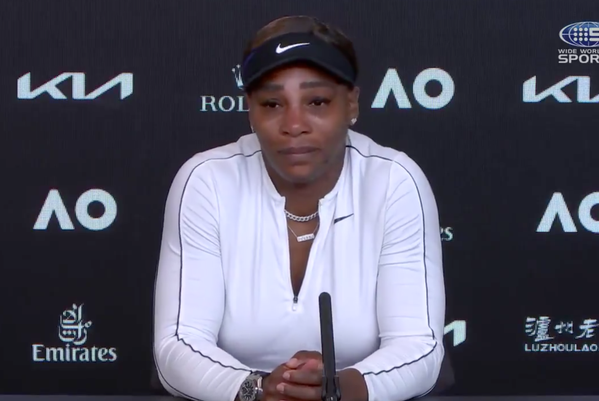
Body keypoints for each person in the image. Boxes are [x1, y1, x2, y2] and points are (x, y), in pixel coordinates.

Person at [153, 15, 446, 401]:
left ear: (352, 103)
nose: (294, 124)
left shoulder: (394, 181)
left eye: (317, 102)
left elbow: (419, 347)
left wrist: (336, 390)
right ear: (250, 111)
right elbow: (177, 345)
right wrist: (259, 391)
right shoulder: (207, 180)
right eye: (272, 103)